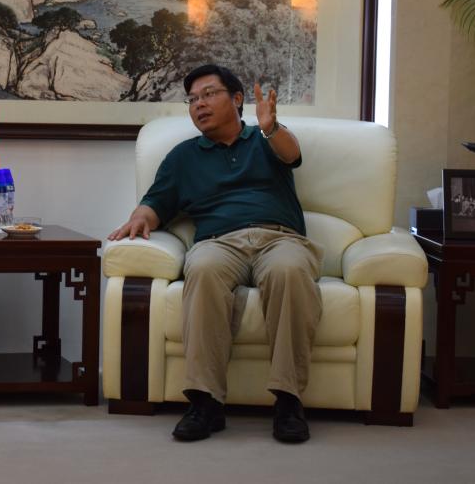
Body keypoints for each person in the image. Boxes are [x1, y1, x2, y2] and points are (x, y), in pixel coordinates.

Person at [108, 64, 322, 444]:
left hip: (279, 238)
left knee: (289, 271)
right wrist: (139, 217)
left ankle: (288, 402)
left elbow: (291, 154)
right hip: (218, 242)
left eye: (208, 94)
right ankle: (205, 402)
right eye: (192, 99)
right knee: (203, 269)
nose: (199, 105)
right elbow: (156, 202)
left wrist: (271, 126)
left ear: (237, 99)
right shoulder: (183, 157)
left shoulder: (266, 139)